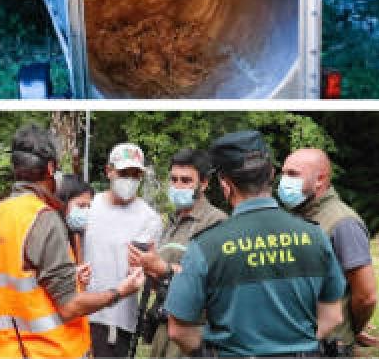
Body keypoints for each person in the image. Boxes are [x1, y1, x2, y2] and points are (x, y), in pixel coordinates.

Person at [164, 130, 346, 357]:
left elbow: (178, 330)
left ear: (224, 184)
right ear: (270, 173)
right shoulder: (315, 236)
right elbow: (333, 316)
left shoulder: (205, 246)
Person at [0, 124, 144, 358]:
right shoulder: (42, 217)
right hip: (45, 351)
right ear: (51, 167)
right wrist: (120, 291)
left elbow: (19, 284)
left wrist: (69, 276)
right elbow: (69, 306)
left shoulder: (0, 214)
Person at [126, 148, 227, 359]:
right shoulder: (172, 223)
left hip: (192, 332)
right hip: (163, 328)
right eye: (174, 180)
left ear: (204, 183)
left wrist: (162, 269)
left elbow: (213, 282)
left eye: (186, 180)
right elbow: (162, 280)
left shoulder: (216, 223)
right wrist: (147, 269)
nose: (178, 186)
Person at [280, 148, 379, 356]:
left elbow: (366, 296)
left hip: (328, 347)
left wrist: (353, 329)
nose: (283, 181)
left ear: (320, 179)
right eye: (283, 173)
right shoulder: (296, 216)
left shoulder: (342, 223)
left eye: (293, 174)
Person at [84, 142, 163, 357]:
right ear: (109, 171)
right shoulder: (89, 206)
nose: (129, 180)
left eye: (135, 174)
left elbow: (151, 274)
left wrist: (145, 268)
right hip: (81, 314)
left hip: (118, 324)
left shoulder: (150, 219)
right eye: (123, 173)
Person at [56, 173, 95, 262]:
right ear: (61, 203)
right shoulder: (51, 240)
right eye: (81, 206)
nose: (87, 212)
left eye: (89, 207)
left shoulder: (81, 237)